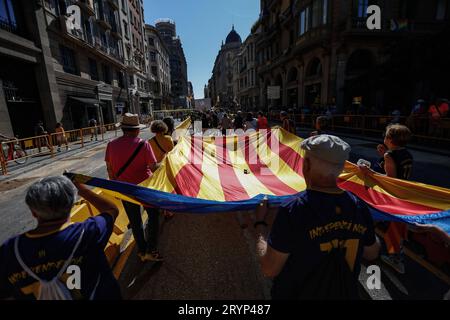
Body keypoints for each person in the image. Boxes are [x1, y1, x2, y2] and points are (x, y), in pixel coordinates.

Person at [253, 135, 380, 299]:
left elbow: (269, 269)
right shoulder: (358, 207)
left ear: (306, 165)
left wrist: (260, 224)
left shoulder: (294, 210)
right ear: (341, 169)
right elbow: (372, 252)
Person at [0, 176, 122, 300]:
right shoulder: (87, 232)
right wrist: (82, 189)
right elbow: (111, 210)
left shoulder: (9, 250)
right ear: (71, 204)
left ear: (34, 212)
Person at [105, 113, 162, 262]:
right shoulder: (143, 144)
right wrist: (165, 166)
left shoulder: (111, 145)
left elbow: (110, 169)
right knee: (153, 216)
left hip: (125, 190)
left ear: (123, 129)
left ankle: (142, 251)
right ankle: (151, 249)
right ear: (136, 130)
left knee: (135, 221)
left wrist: (116, 186)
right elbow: (153, 167)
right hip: (144, 189)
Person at [360, 124, 413, 274]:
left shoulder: (390, 156)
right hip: (403, 194)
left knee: (382, 222)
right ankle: (395, 254)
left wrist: (370, 172)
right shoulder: (407, 154)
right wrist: (384, 155)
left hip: (391, 195)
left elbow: (391, 179)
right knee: (396, 226)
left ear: (389, 139)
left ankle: (394, 258)